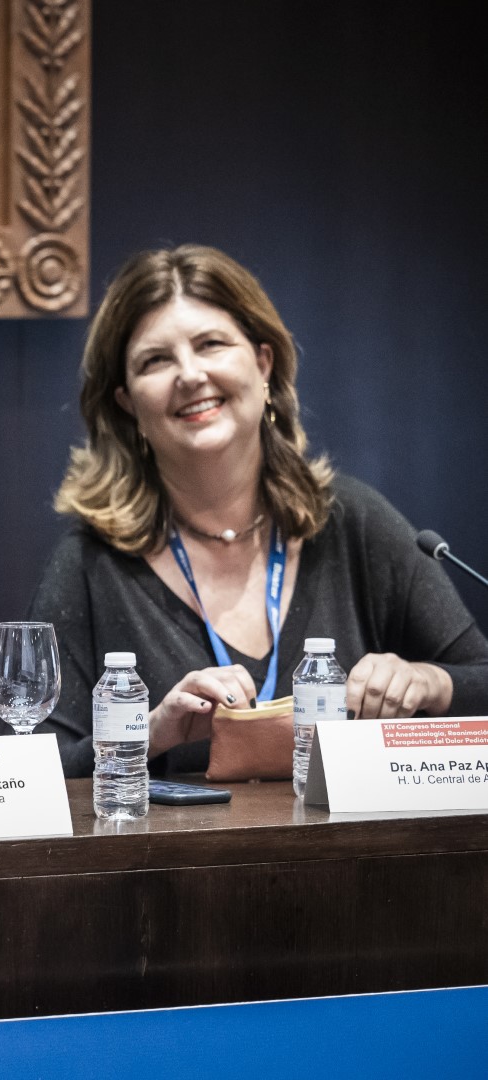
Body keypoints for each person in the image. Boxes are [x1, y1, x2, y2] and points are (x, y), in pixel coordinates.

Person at [29, 245, 488, 777]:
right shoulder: (89, 564)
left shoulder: (352, 523)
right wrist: (147, 733)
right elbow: (35, 769)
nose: (189, 374)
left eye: (211, 344)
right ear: (128, 403)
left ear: (263, 363)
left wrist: (431, 683)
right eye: (156, 360)